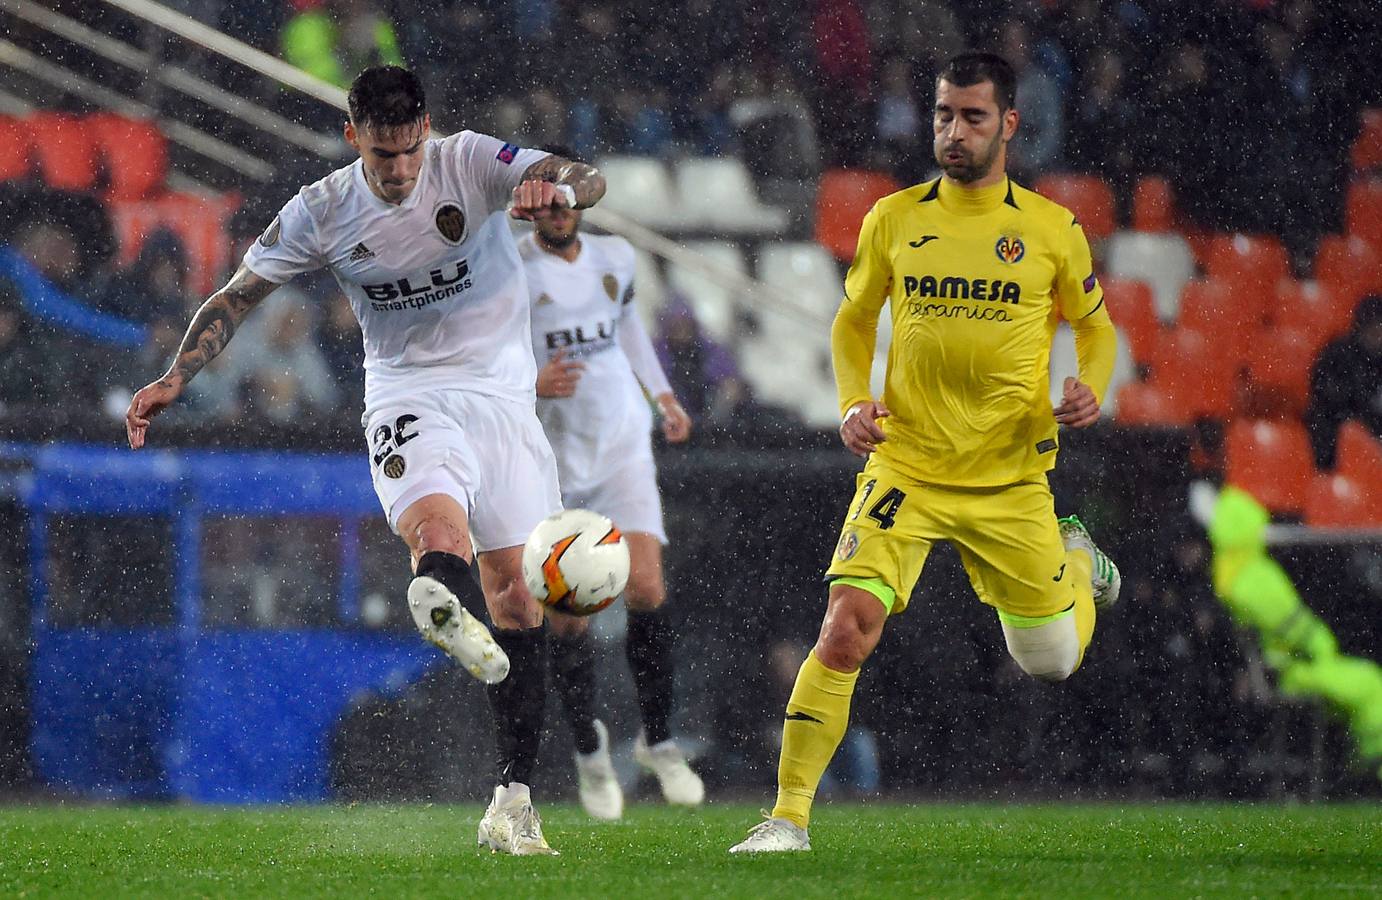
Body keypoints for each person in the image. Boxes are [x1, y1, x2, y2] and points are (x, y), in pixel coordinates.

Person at [124, 65, 606, 856]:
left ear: (428, 132)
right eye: (384, 156)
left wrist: (554, 191)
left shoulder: (471, 160)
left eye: (412, 151)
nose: (402, 170)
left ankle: (512, 802)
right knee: (438, 532)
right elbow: (238, 294)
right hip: (409, 396)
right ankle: (437, 594)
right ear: (353, 139)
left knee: (521, 603)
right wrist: (178, 375)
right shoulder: (322, 208)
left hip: (505, 406)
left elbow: (584, 177)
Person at [730, 52, 1121, 853]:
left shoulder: (1049, 229)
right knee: (846, 626)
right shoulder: (894, 218)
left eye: (973, 117)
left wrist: (1092, 385)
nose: (954, 130)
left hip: (1011, 479)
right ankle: (788, 817)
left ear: (1008, 124)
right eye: (944, 115)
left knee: (1048, 661)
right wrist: (849, 402)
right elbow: (850, 321)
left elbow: (1095, 324)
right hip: (906, 467)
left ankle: (1081, 563)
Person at [517, 147, 704, 820]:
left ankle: (660, 739)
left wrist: (663, 396)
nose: (561, 209)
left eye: (570, 196)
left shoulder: (615, 258)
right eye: (549, 197)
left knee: (649, 588)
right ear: (534, 204)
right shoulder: (510, 267)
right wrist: (530, 382)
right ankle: (591, 753)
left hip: (622, 442)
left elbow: (628, 327)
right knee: (569, 622)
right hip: (556, 460)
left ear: (582, 201)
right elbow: (484, 353)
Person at [1304, 295, 1382, 468]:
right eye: (1373, 327)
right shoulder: (1338, 354)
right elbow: (1325, 395)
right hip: (1338, 432)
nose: (1377, 334)